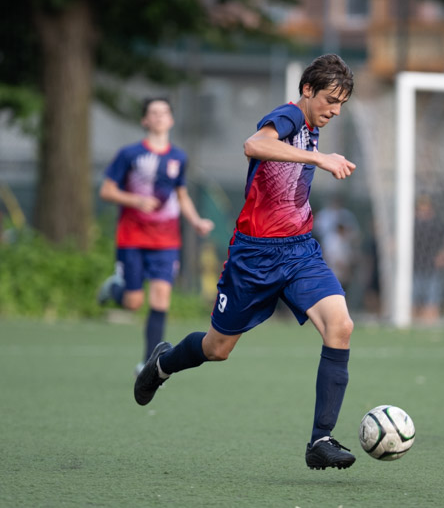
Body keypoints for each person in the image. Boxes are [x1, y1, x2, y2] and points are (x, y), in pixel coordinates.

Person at [133, 54, 358, 470]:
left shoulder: (311, 125)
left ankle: (320, 440)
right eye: (330, 100)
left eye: (341, 104)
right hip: (254, 256)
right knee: (217, 349)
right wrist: (320, 159)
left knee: (340, 326)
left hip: (299, 251)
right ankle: (162, 364)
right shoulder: (290, 116)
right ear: (307, 90)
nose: (335, 110)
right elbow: (254, 145)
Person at [97, 97, 215, 375]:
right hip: (132, 238)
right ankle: (114, 289)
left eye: (164, 112)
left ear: (171, 120)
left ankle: (148, 363)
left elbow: (181, 195)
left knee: (161, 298)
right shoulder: (129, 154)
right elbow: (106, 191)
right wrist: (135, 201)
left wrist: (196, 221)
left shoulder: (179, 158)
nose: (159, 116)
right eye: (154, 112)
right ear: (145, 120)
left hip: (166, 240)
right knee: (133, 302)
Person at [413, 195, 444, 324]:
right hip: (412, 270)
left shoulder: (438, 224)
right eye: (420, 209)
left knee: (431, 306)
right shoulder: (410, 224)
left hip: (432, 270)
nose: (422, 212)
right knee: (411, 306)